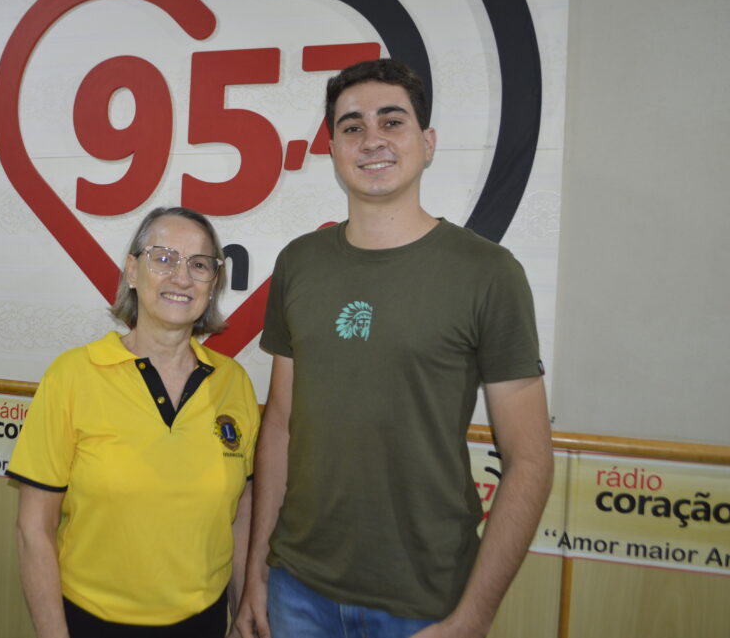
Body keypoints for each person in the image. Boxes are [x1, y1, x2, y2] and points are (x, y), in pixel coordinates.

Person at [235, 59, 554, 638]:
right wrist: (256, 572)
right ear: (333, 149)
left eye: (392, 121)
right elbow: (279, 426)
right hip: (295, 587)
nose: (372, 139)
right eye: (352, 126)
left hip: (426, 600)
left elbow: (530, 461)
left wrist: (473, 617)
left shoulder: (488, 273)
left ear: (426, 143)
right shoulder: (298, 264)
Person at [7, 206, 259, 638]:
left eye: (199, 264)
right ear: (132, 271)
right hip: (90, 623)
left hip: (204, 623)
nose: (181, 277)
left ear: (213, 283)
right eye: (163, 258)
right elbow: (34, 529)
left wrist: (243, 609)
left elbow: (239, 515)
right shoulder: (72, 376)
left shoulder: (233, 383)